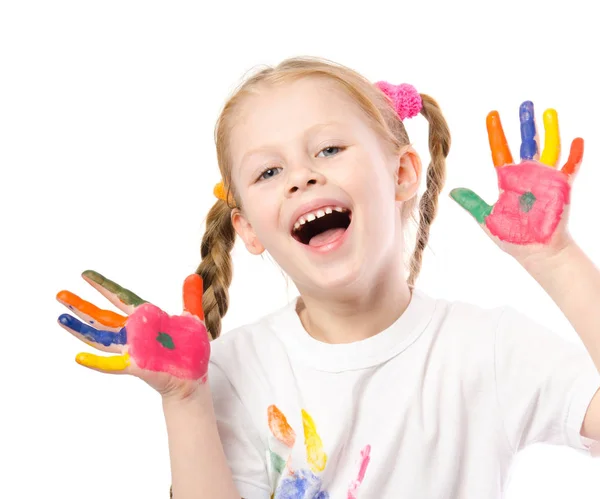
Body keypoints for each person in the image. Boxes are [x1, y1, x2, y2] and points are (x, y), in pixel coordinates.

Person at [56, 56, 600, 499]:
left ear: (402, 173)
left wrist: (556, 259)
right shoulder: (237, 370)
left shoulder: (488, 349)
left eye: (329, 149)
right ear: (248, 229)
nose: (302, 176)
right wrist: (183, 399)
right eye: (269, 172)